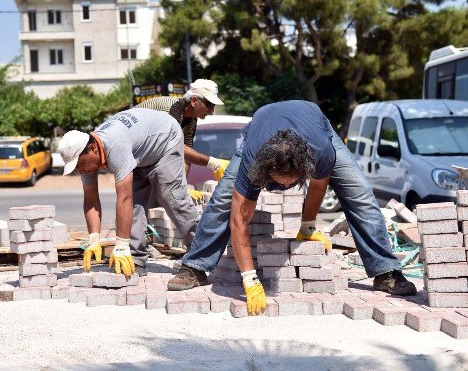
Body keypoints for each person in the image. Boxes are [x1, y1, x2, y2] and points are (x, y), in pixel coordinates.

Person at [167, 100, 417, 315]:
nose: (285, 187)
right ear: (264, 171)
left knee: (360, 193)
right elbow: (239, 220)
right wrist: (249, 278)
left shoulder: (321, 152)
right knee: (222, 199)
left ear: (305, 169)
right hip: (260, 127)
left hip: (316, 125)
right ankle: (195, 266)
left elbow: (318, 187)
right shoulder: (253, 159)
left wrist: (307, 226)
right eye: (279, 181)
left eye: (291, 182)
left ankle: (386, 271)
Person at [59, 107, 200, 277]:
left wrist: (120, 246)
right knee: (134, 205)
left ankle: (199, 253)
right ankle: (135, 258)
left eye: (79, 164)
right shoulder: (88, 160)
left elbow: (124, 198)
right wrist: (94, 238)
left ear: (92, 149)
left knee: (170, 195)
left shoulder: (115, 146)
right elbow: (91, 199)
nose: (80, 170)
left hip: (164, 140)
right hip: (138, 151)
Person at [136, 79, 230, 193]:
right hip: (131, 147)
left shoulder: (192, 120)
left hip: (144, 155)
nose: (212, 110)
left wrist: (183, 187)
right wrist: (213, 163)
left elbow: (186, 154)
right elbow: (174, 146)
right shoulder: (169, 110)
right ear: (194, 100)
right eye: (209, 104)